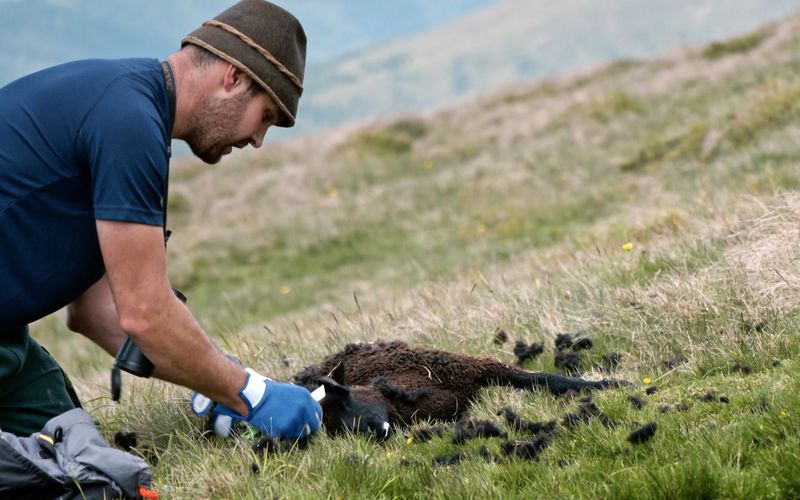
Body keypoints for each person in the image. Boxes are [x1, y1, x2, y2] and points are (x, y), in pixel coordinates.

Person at [0, 0, 321, 440]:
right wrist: (251, 393)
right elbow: (145, 314)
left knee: (80, 463)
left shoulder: (128, 107)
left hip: (6, 342)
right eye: (264, 116)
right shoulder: (128, 123)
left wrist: (217, 390)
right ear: (234, 77)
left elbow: (97, 311)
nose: (258, 140)